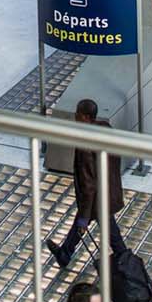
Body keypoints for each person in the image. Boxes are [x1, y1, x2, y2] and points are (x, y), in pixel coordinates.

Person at [45, 99, 126, 269]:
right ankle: (65, 254)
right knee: (96, 226)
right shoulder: (106, 130)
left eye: (77, 114)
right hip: (109, 192)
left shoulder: (85, 144)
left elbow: (89, 185)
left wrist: (84, 217)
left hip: (98, 199)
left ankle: (128, 268)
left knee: (112, 237)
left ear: (86, 117)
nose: (75, 116)